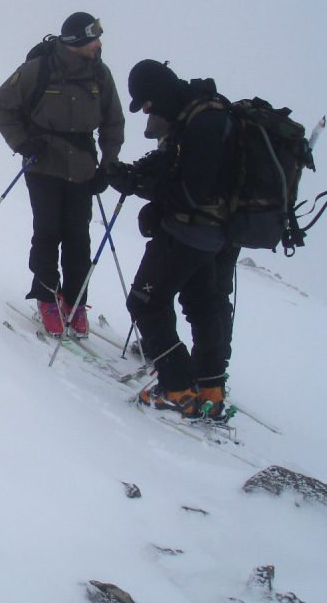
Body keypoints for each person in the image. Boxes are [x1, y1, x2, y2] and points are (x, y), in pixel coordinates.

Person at [109, 60, 241, 419]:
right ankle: (211, 389)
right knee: (202, 303)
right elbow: (181, 169)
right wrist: (139, 175)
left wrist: (142, 187)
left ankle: (177, 389)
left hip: (190, 231)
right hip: (214, 234)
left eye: (147, 103)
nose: (147, 111)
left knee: (146, 303)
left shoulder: (202, 121)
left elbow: (190, 192)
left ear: (158, 92)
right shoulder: (199, 111)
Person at [0, 12, 124, 337]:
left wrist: (108, 166)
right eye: (93, 38)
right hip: (43, 164)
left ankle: (75, 303)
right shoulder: (38, 69)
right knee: (47, 232)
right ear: (77, 41)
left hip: (82, 168)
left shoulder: (100, 73)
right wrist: (22, 143)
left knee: (78, 237)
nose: (99, 44)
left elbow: (113, 122)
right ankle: (47, 298)